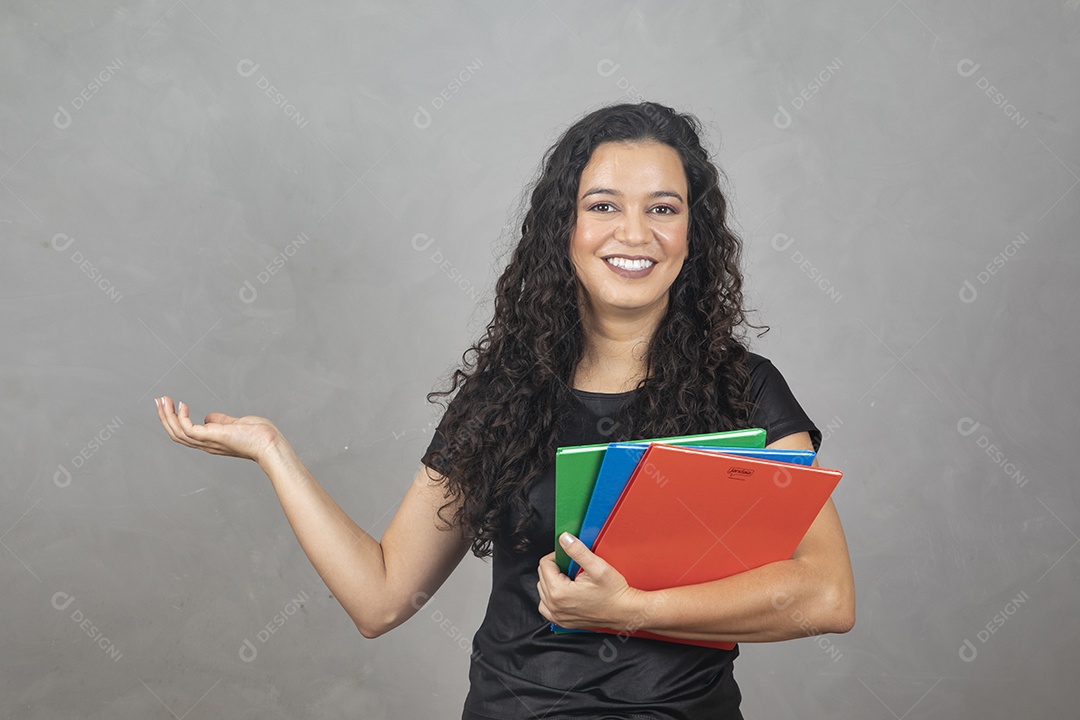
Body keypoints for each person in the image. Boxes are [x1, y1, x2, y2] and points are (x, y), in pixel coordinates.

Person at [155, 100, 855, 719]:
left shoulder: (743, 389)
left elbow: (826, 595)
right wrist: (274, 451)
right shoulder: (505, 394)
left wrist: (636, 611)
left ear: (691, 235)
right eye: (604, 205)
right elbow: (382, 599)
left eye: (663, 209)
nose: (634, 233)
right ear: (565, 229)